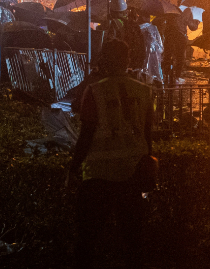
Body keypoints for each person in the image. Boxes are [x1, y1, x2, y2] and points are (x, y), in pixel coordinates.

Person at [68, 40, 153, 269]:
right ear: (127, 60)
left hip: (98, 175)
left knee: (87, 239)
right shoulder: (144, 91)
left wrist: (73, 168)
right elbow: (147, 135)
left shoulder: (94, 91)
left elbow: (86, 135)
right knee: (133, 240)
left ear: (104, 59)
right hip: (133, 174)